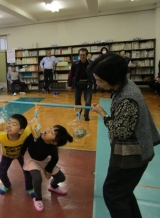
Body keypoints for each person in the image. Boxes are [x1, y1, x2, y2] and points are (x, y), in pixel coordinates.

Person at [90, 53, 160, 218]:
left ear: (112, 78)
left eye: (99, 80)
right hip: (138, 150)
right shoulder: (126, 85)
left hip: (133, 154)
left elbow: (121, 131)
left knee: (113, 194)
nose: (96, 83)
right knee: (123, 193)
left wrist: (103, 114)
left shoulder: (127, 98)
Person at [21, 126, 73, 211]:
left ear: (54, 142)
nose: (48, 130)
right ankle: (38, 199)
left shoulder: (52, 148)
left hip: (43, 160)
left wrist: (48, 170)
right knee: (37, 178)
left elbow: (55, 158)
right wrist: (22, 153)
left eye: (52, 133)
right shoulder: (36, 135)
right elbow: (26, 142)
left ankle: (53, 186)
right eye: (51, 128)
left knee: (61, 178)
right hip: (31, 159)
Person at [0, 114, 35, 197]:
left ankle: (29, 188)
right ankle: (7, 185)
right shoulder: (0, 137)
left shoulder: (25, 133)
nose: (9, 125)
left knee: (28, 172)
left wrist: (35, 125)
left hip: (20, 155)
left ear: (20, 131)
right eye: (9, 122)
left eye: (14, 124)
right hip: (6, 156)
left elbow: (31, 130)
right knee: (1, 173)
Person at [67, 48, 93, 121]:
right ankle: (79, 113)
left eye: (84, 55)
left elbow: (95, 73)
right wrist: (69, 85)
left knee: (88, 101)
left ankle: (86, 115)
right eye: (81, 55)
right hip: (77, 84)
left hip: (88, 84)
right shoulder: (75, 64)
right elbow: (71, 74)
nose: (82, 57)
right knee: (77, 101)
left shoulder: (91, 63)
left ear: (87, 55)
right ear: (79, 55)